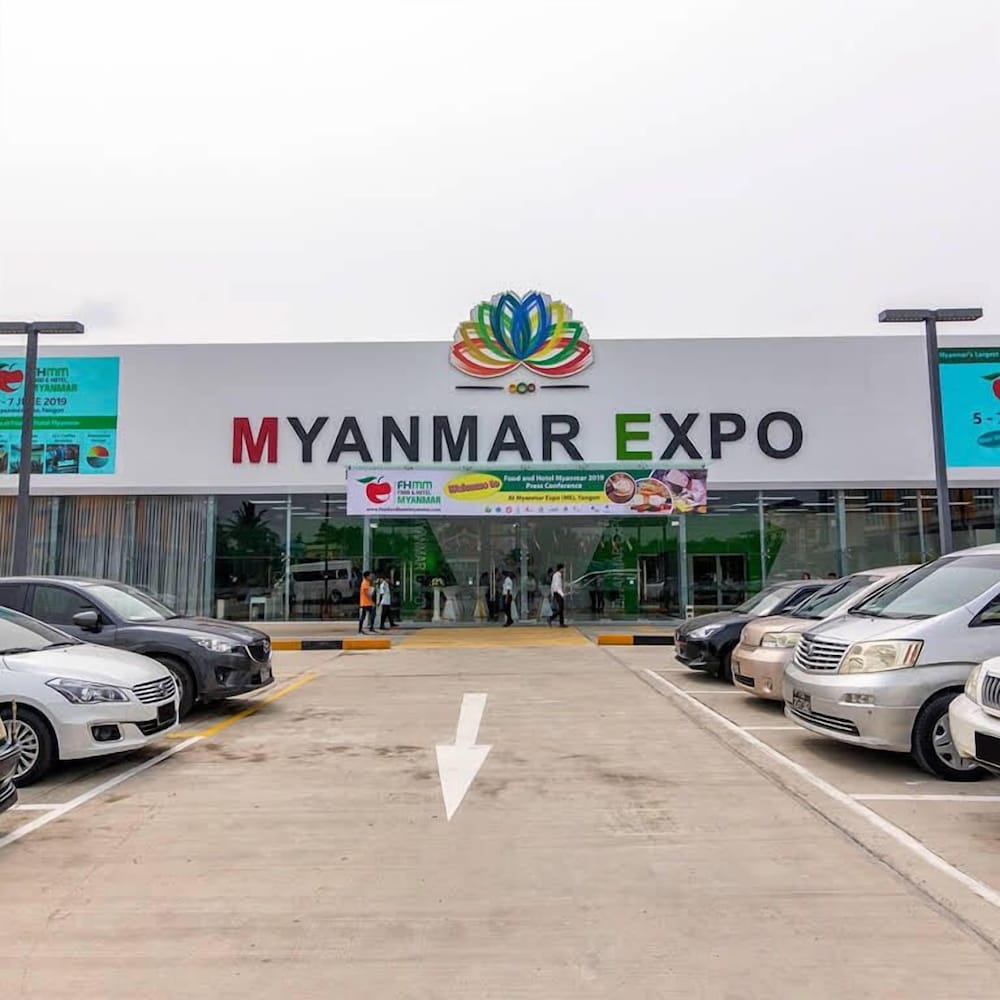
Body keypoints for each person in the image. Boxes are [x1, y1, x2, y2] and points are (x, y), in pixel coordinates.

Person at [549, 563, 566, 627]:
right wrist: (562, 594)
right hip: (557, 593)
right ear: (561, 569)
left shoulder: (557, 575)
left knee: (561, 608)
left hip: (557, 593)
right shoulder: (557, 575)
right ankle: (551, 618)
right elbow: (556, 586)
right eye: (563, 568)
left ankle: (561, 623)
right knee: (560, 608)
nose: (564, 570)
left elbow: (553, 585)